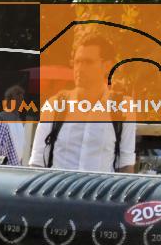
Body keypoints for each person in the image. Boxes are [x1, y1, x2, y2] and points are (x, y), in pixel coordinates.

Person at [29, 33, 136, 173]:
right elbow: (37, 163)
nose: (80, 68)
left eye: (88, 62)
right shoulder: (55, 105)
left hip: (100, 192)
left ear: (107, 66)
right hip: (57, 191)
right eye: (77, 62)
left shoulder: (123, 107)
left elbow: (126, 165)